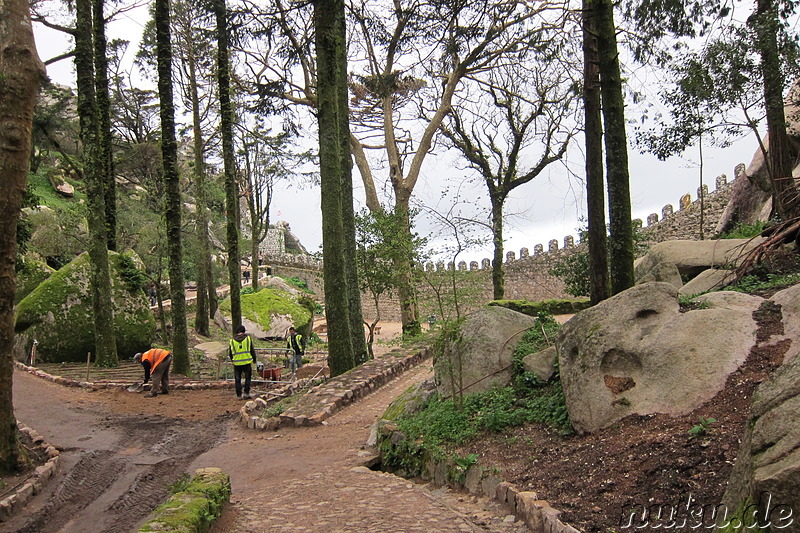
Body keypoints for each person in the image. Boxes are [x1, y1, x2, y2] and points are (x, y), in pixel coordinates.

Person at [228, 324, 256, 399]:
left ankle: (239, 395)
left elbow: (230, 353)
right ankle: (246, 393)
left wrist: (232, 360)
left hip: (237, 363)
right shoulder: (248, 339)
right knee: (247, 378)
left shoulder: (232, 341)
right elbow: (252, 350)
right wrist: (254, 359)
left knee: (237, 379)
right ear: (244, 331)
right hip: (247, 362)